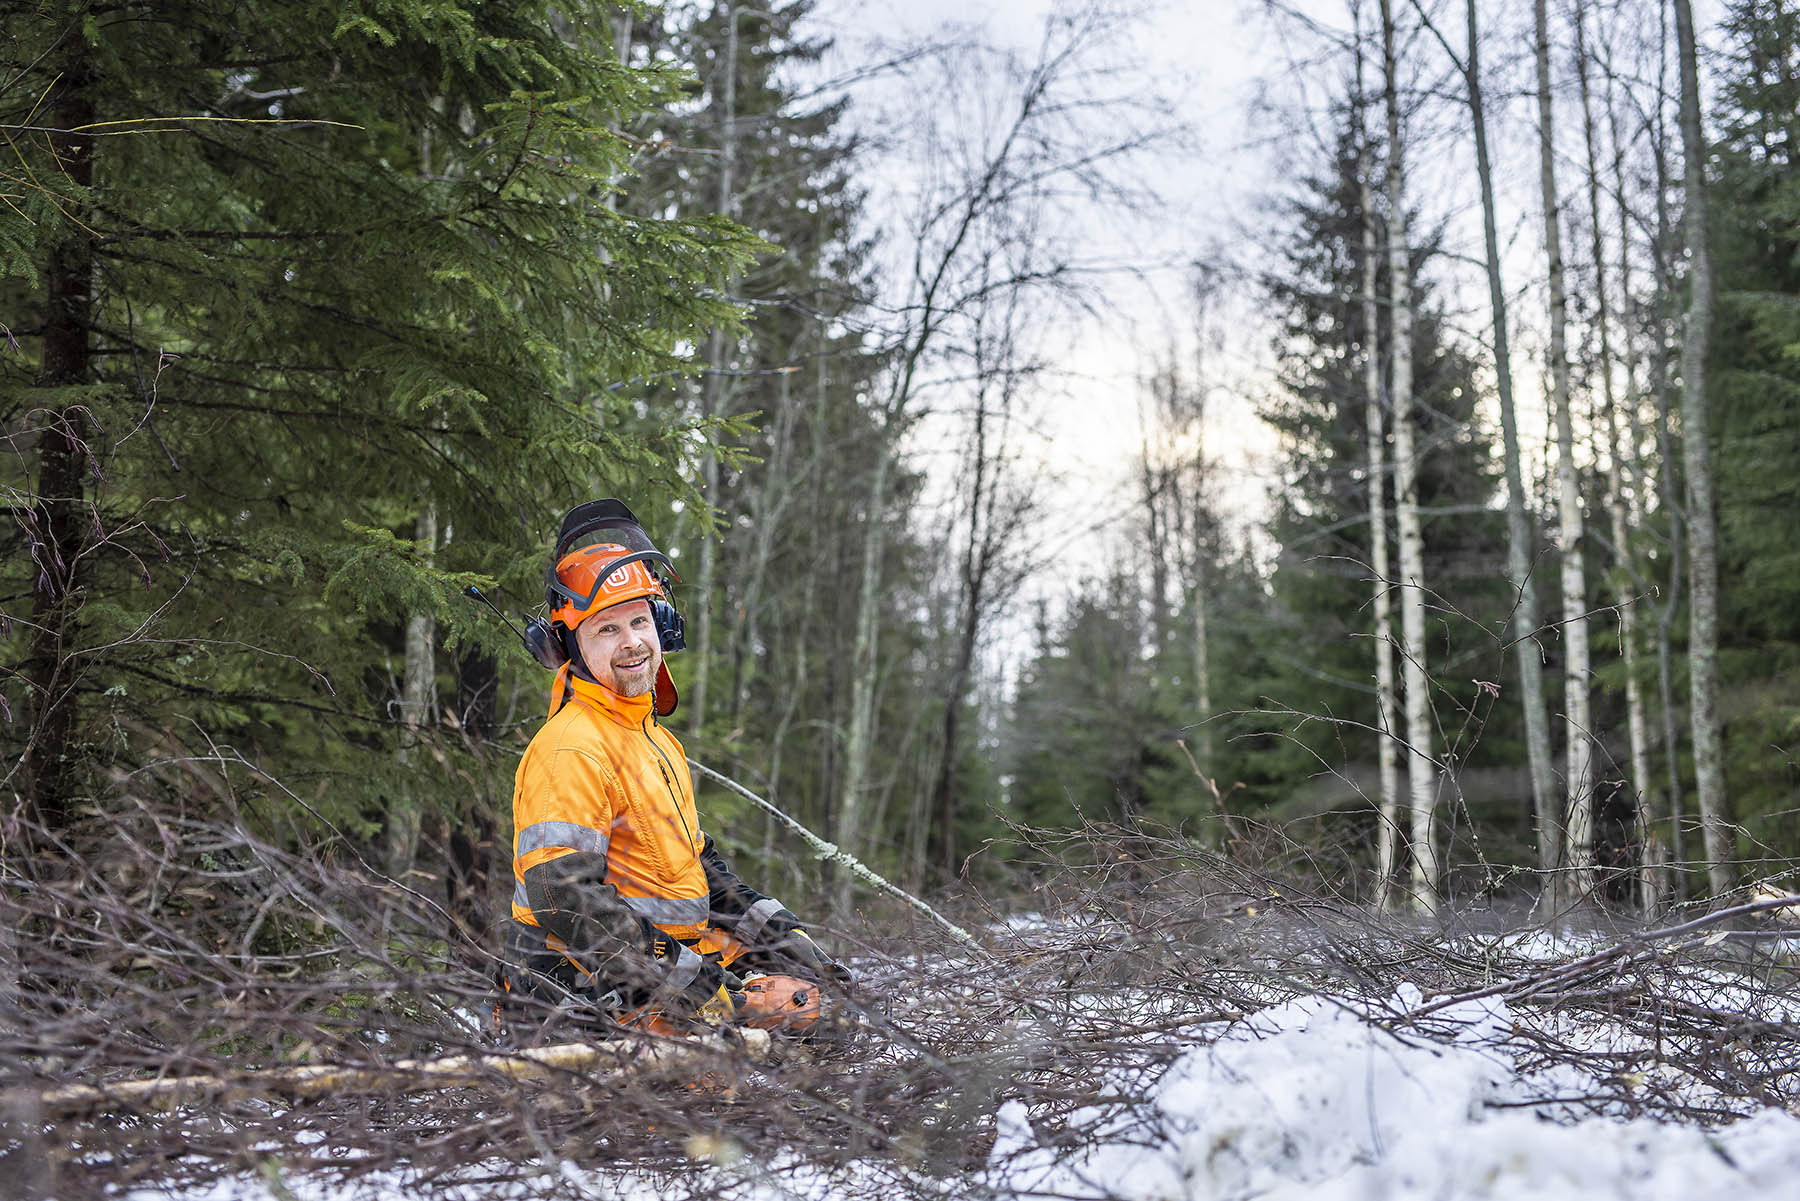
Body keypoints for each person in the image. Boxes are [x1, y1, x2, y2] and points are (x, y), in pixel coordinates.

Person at [501, 499, 848, 1039]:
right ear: (570, 645)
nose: (633, 642)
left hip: (655, 964)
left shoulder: (655, 740)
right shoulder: (571, 748)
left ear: (662, 624)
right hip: (581, 991)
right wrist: (692, 981)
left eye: (639, 620)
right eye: (606, 630)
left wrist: (778, 935)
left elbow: (696, 865)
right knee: (727, 1085)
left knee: (821, 1010)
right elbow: (562, 897)